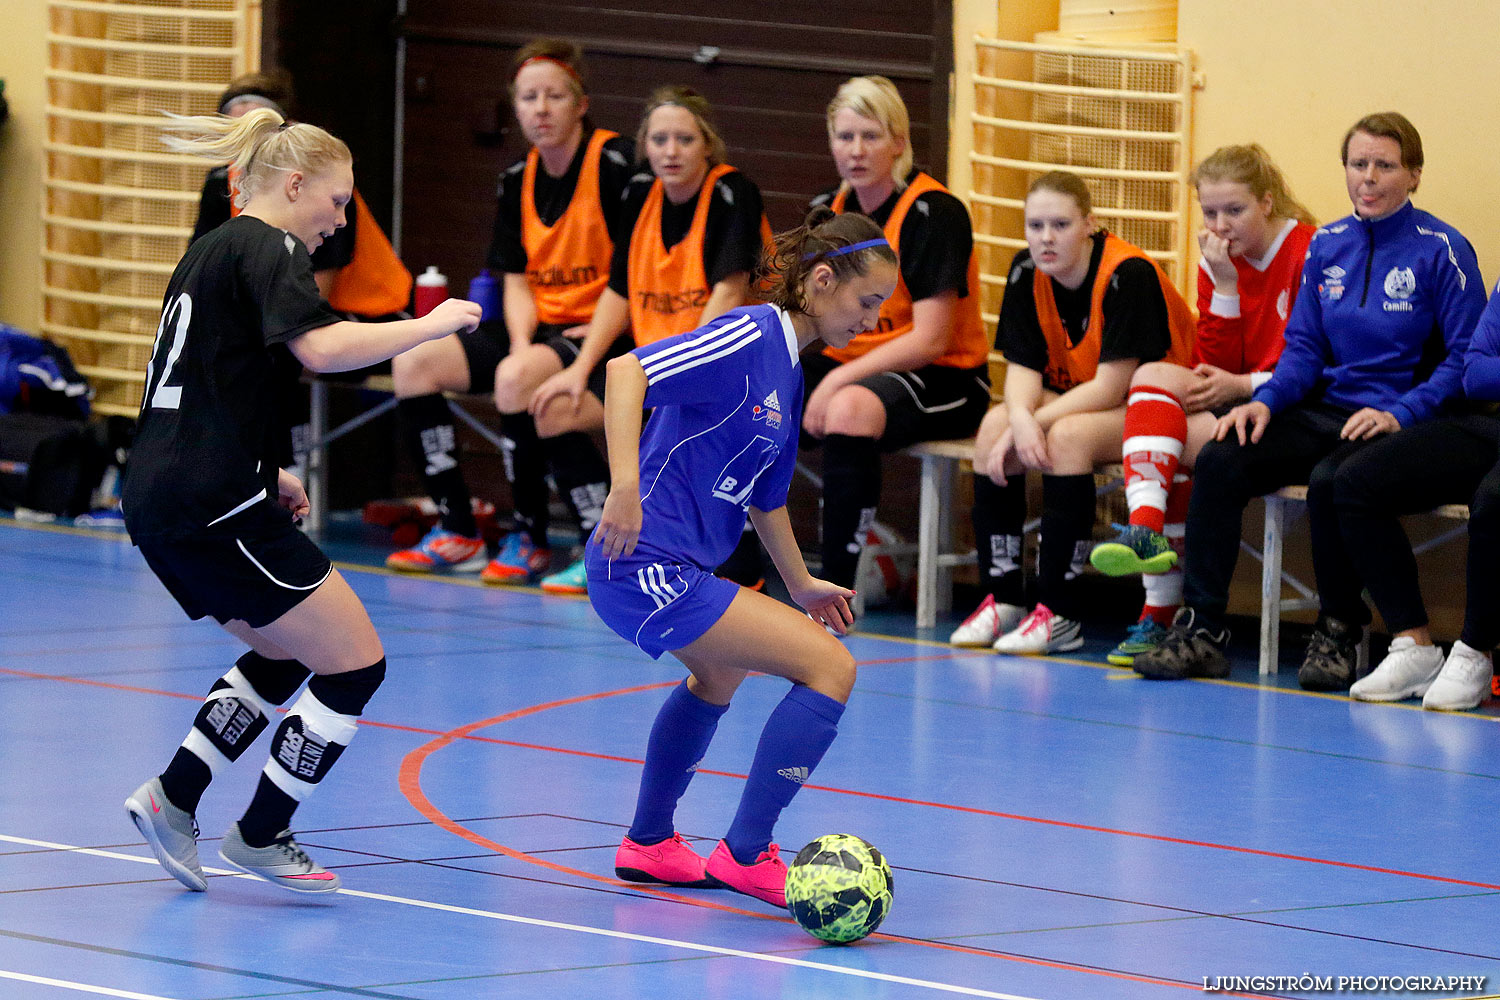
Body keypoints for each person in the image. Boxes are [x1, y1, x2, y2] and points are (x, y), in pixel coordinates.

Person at [122, 108, 483, 893]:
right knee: (355, 666)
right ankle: (260, 832)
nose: (341, 220)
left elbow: (214, 381)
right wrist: (427, 326)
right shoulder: (272, 242)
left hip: (162, 493)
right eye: (339, 200)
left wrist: (265, 471)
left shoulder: (209, 249)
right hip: (209, 497)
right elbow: (320, 349)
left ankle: (171, 797)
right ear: (295, 186)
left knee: (285, 651)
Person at [586, 208, 896, 908]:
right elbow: (625, 372)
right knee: (831, 666)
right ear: (820, 281)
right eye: (866, 301)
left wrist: (801, 584)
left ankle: (649, 843)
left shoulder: (788, 372)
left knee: (718, 676)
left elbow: (766, 495)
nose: (872, 319)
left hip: (681, 567)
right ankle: (746, 854)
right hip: (640, 561)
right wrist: (625, 486)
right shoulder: (748, 332)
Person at [1133, 112, 1486, 689]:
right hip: (1328, 408)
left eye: (1384, 166)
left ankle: (1340, 629)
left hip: (1403, 419)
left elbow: (1463, 362)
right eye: (1357, 165)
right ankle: (1201, 629)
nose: (1368, 178)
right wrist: (1266, 401)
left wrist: (1403, 413)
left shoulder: (1442, 249)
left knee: (1330, 480)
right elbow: (1302, 346)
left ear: (1414, 175)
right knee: (1222, 455)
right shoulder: (1327, 245)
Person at [385, 39, 634, 578]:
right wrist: (522, 344)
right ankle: (457, 527)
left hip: (605, 328)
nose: (540, 110)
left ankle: (534, 535)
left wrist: (531, 358)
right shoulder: (517, 177)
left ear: (580, 103)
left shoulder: (616, 164)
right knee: (414, 364)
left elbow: (636, 271)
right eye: (528, 98)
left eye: (554, 97)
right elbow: (516, 278)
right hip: (536, 327)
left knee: (518, 379)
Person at [514, 85, 771, 594]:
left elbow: (729, 291)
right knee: (552, 409)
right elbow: (618, 290)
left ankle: (738, 571)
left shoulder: (731, 192)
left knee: (669, 436)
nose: (670, 151)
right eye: (659, 140)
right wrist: (579, 369)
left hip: (722, 368)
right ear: (645, 147)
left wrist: (681, 378)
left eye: (684, 139)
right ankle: (605, 543)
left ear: (707, 145)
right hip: (659, 366)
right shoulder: (637, 194)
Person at [1085, 145, 1317, 666]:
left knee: (1170, 439)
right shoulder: (1217, 257)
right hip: (1237, 395)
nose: (1220, 224)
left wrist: (1243, 384)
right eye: (1209, 212)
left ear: (1267, 201)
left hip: (1289, 406)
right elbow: (1212, 364)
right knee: (1153, 382)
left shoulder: (1308, 250)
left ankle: (1159, 609)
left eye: (1234, 211)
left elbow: (1311, 360)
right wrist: (1226, 285)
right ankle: (1145, 531)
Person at [948, 171, 1193, 654]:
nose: (1046, 238)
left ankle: (1059, 611)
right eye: (1035, 225)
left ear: (1090, 224)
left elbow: (1111, 386)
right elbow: (1022, 371)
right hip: (1080, 398)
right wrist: (1018, 419)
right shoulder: (1026, 271)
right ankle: (1003, 599)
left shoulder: (1128, 274)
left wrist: (1033, 421)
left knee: (1068, 438)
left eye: (1060, 224)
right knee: (994, 424)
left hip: (1154, 404)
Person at [806, 75, 991, 596]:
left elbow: (931, 339)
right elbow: (811, 313)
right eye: (845, 137)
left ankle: (837, 592)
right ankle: (739, 568)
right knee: (752, 396)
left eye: (871, 136)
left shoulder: (935, 213)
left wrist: (832, 384)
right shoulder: (828, 210)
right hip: (859, 368)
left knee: (847, 408)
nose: (856, 151)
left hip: (946, 377)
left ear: (900, 143)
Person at [1333, 290, 1500, 710]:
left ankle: (1475, 653)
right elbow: (1476, 372)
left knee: (1493, 500)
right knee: (1356, 480)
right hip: (1487, 423)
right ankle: (1413, 644)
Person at [190, 72, 411, 318]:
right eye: (238, 133)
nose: (247, 149)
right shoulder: (220, 184)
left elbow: (309, 308)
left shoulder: (324, 194)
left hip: (363, 315)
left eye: (258, 136)